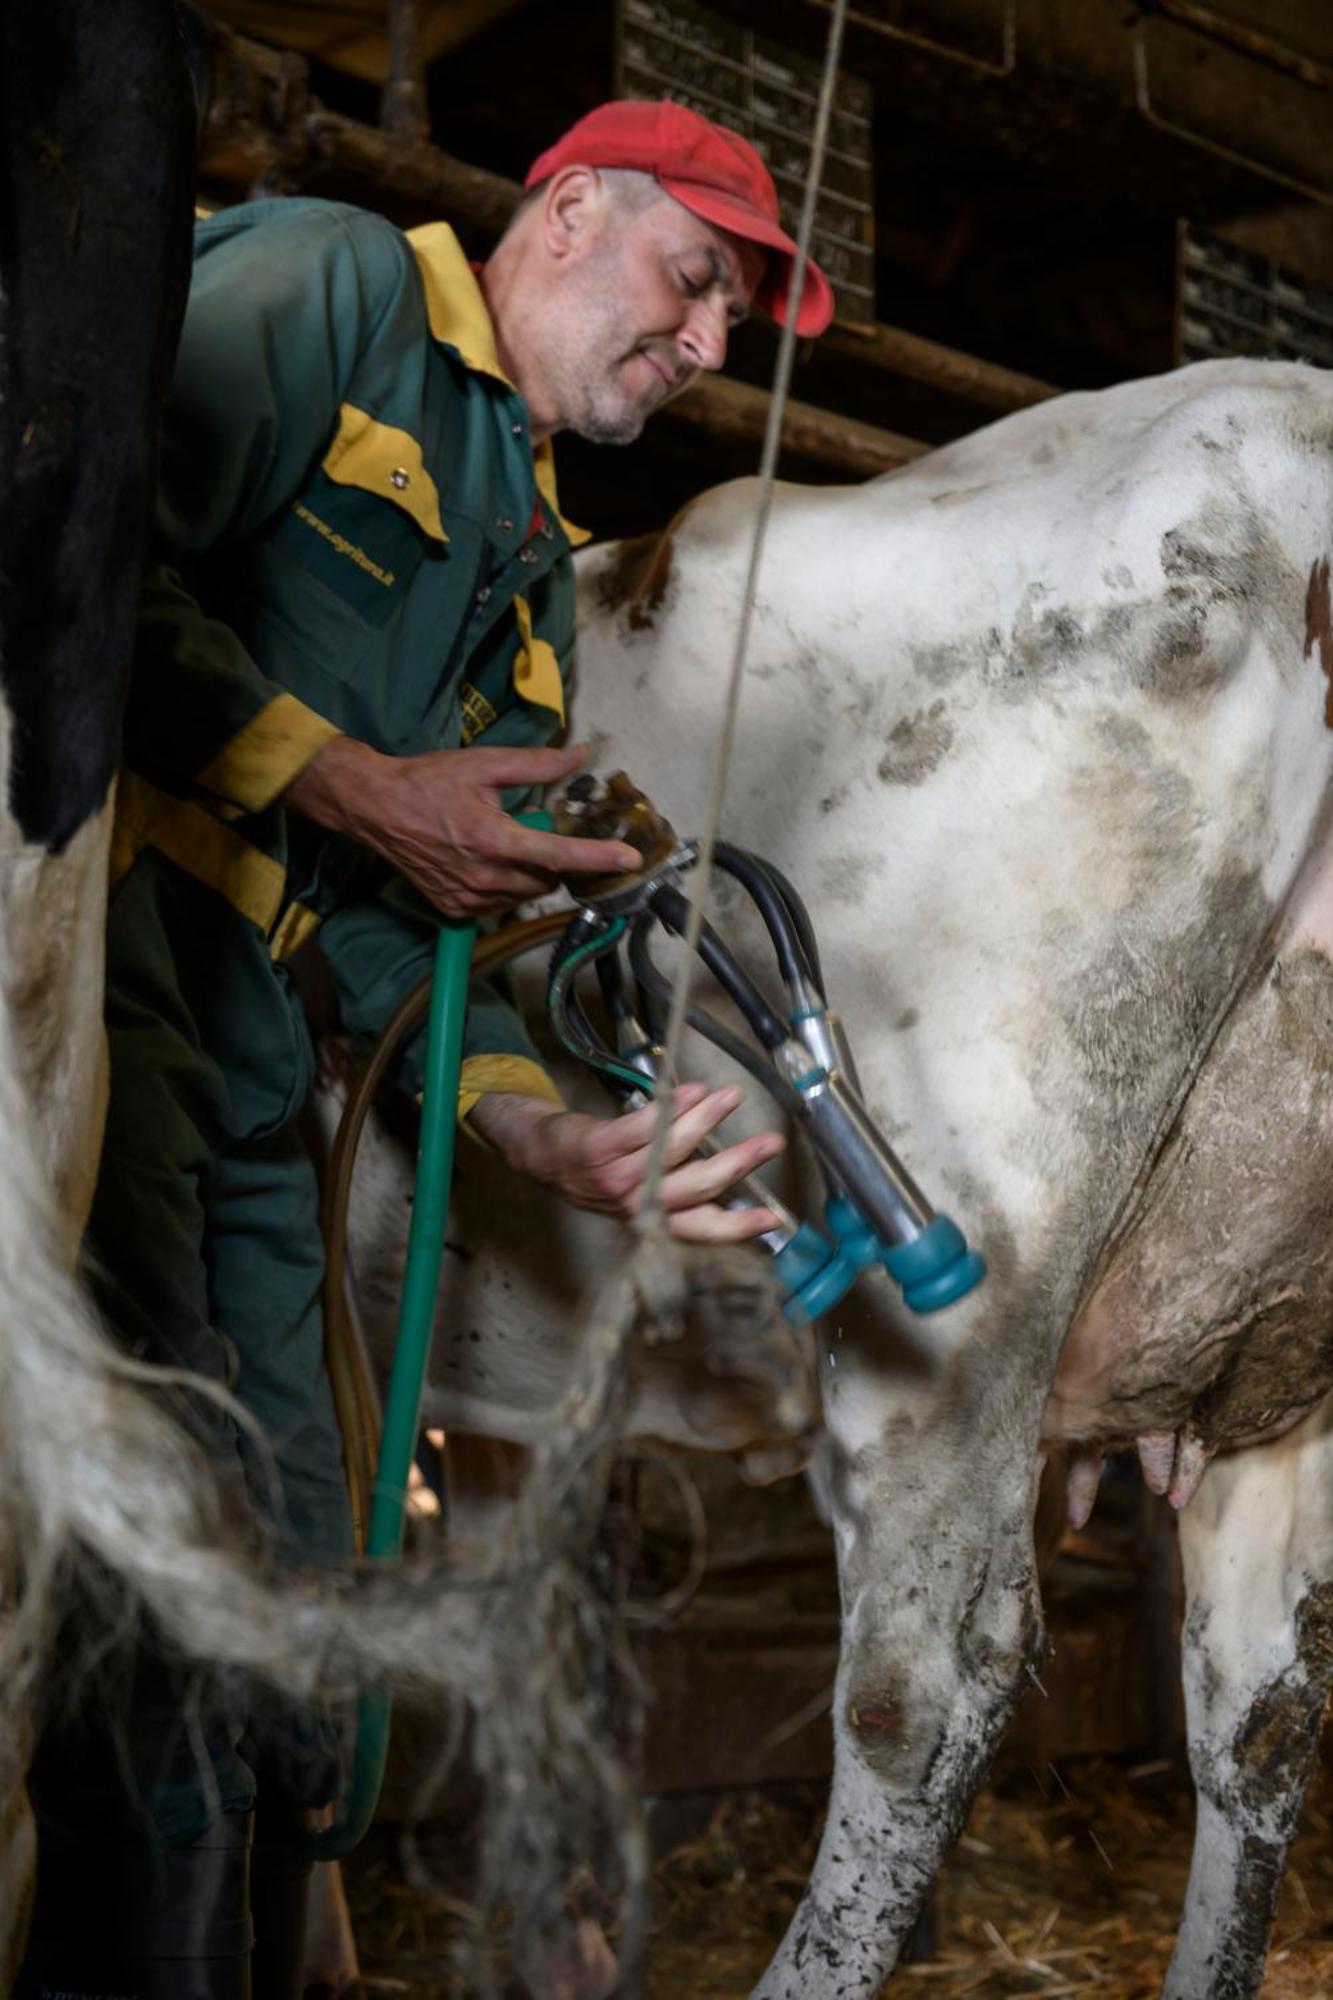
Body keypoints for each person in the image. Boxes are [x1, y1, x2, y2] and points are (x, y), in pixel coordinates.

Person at [18, 98, 835, 2000]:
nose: (707, 348)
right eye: (695, 282)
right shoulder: (330, 286)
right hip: (91, 987)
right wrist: (359, 783)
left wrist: (549, 1141)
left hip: (255, 1070)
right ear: (564, 214)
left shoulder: (521, 555)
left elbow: (426, 929)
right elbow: (65, 550)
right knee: (161, 1567)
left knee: (295, 1565)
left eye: (725, 317)